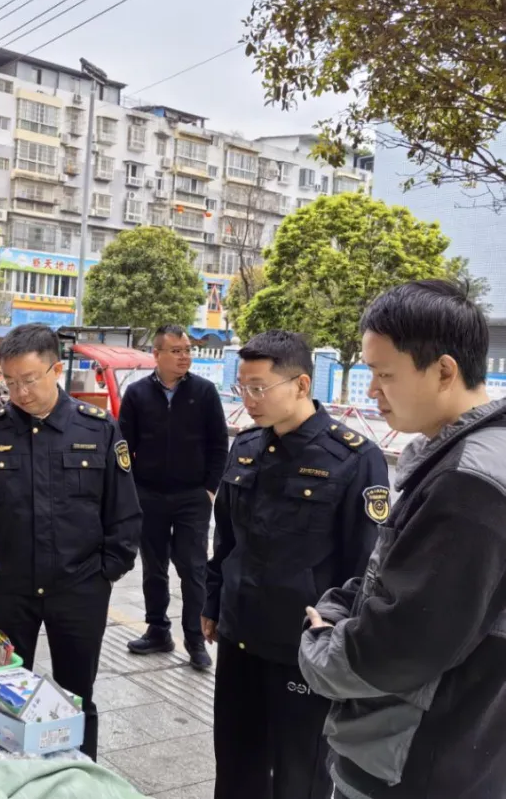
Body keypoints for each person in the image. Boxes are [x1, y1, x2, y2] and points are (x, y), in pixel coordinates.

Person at [300, 280, 506, 799]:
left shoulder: (469, 483)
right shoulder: (472, 455)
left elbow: (402, 646)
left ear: (443, 370)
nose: (372, 390)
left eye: (384, 373)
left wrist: (321, 643)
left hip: (414, 763)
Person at [204, 330, 388, 799]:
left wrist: (339, 640)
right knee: (236, 765)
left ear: (302, 384)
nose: (249, 399)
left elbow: (363, 563)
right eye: (242, 387)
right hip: (239, 634)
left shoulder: (354, 458)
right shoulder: (245, 447)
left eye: (259, 387)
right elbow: (226, 540)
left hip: (303, 649)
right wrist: (211, 602)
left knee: (299, 775)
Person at [0, 323, 141, 761]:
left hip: (79, 591)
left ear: (55, 370)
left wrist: (105, 574)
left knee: (76, 696)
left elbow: (124, 514)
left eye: (29, 380)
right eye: (9, 381)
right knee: (3, 695)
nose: (19, 392)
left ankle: (81, 778)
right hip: (7, 590)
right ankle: (11, 777)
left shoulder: (99, 430)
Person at [119, 325, 228, 669]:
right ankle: (157, 630)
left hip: (191, 497)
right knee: (153, 567)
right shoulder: (137, 394)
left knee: (193, 568)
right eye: (177, 350)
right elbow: (123, 447)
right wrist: (131, 490)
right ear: (157, 354)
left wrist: (209, 489)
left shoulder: (204, 392)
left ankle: (195, 640)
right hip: (148, 495)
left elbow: (218, 445)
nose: (185, 356)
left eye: (187, 350)